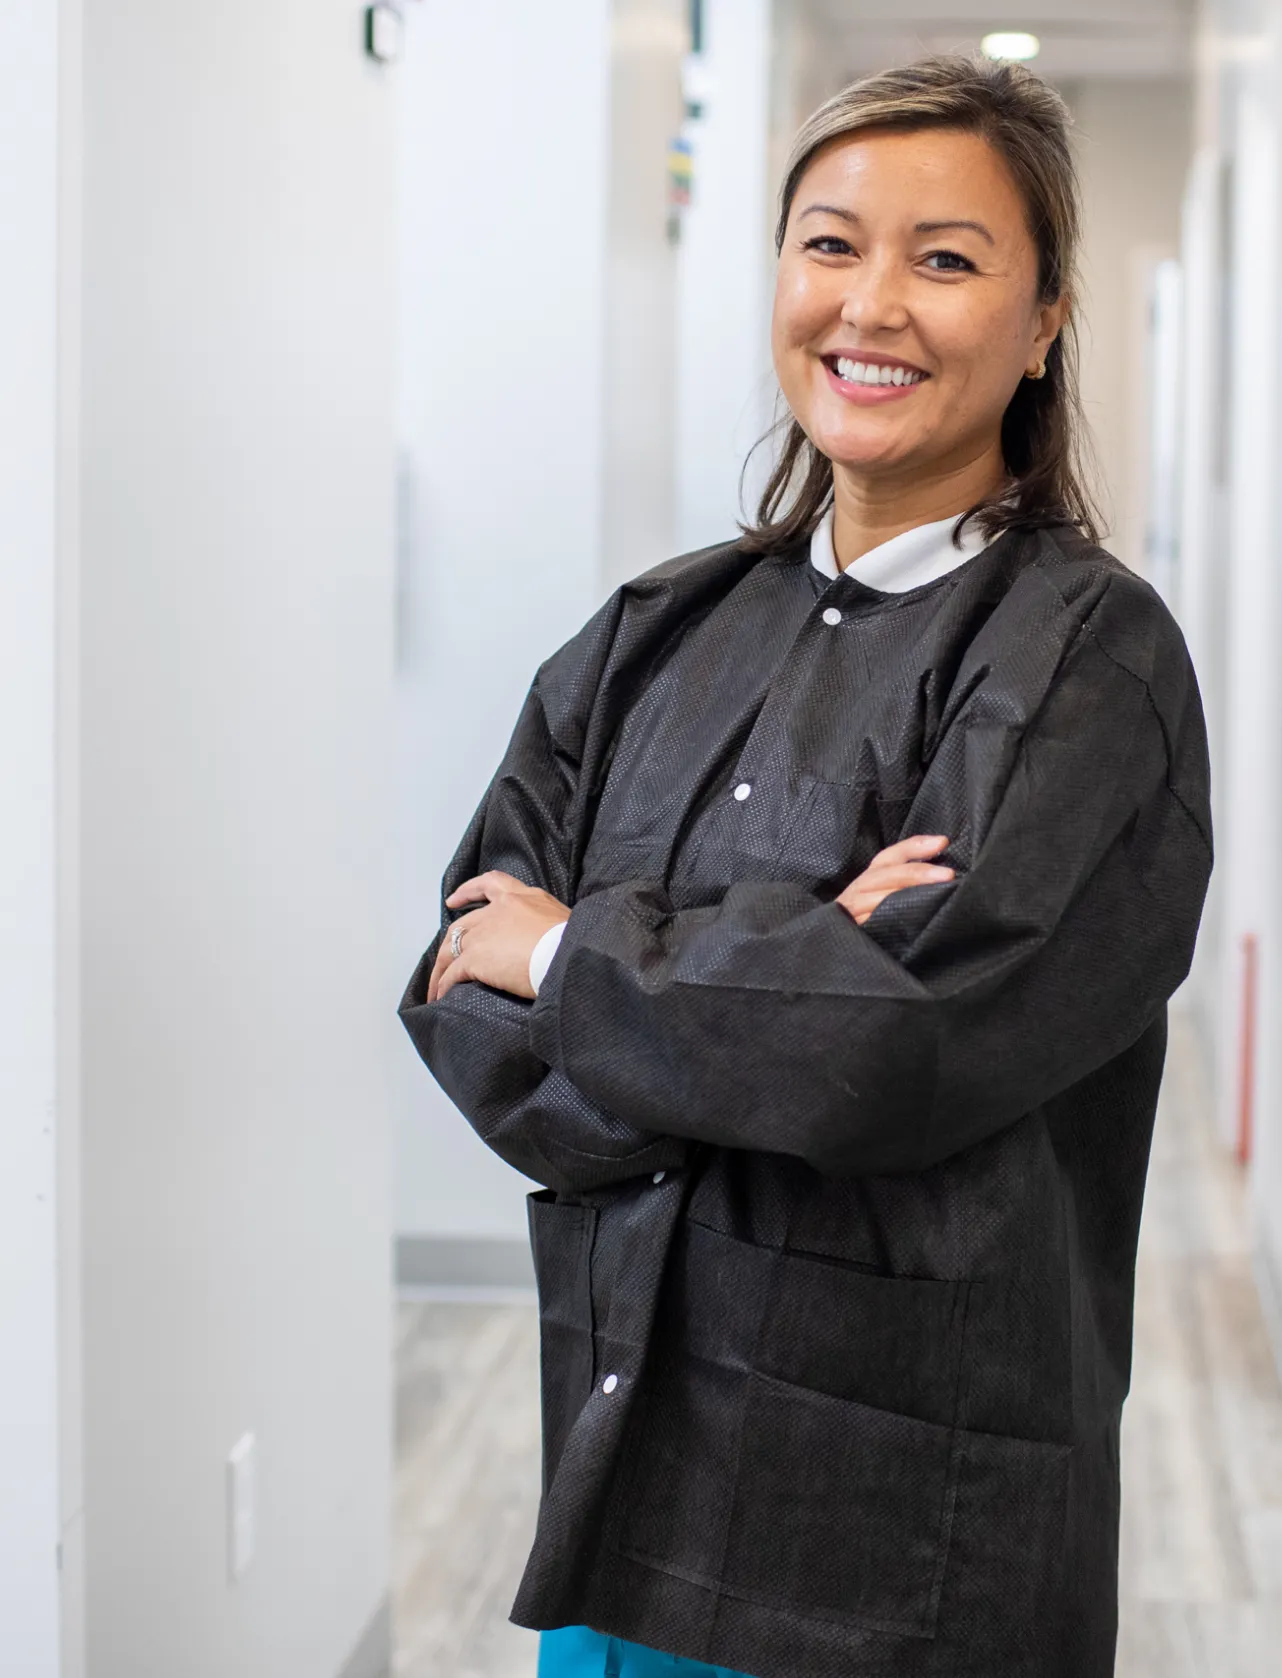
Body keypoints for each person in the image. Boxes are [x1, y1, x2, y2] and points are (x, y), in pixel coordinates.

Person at [400, 56, 1211, 1678]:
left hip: (902, 1538)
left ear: (1048, 315)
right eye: (832, 243)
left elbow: (896, 1044)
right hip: (628, 1488)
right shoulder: (652, 636)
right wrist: (779, 965)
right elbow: (456, 996)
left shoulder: (1084, 661)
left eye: (949, 257)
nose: (875, 303)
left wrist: (584, 965)